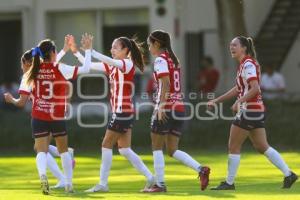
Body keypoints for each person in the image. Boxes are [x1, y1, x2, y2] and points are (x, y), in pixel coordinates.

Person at [4, 34, 92, 194]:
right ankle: (68, 184)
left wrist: (11, 100)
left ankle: (43, 176)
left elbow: (22, 102)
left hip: (38, 117)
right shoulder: (60, 68)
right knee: (64, 151)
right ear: (52, 53)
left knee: (41, 151)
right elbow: (85, 69)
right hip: (56, 117)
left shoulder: (30, 73)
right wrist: (87, 51)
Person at [208, 36, 298, 190]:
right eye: (230, 45)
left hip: (249, 110)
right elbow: (238, 89)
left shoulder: (248, 63)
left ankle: (229, 183)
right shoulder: (244, 64)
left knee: (233, 146)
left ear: (244, 48)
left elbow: (255, 88)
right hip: (255, 110)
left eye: (235, 45)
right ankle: (289, 174)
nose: (232, 47)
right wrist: (217, 100)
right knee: (262, 146)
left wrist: (239, 101)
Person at [71, 35, 155, 193]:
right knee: (124, 149)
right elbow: (87, 66)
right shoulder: (113, 66)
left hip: (122, 111)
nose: (112, 50)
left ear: (126, 50)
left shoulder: (127, 63)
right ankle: (150, 177)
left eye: (116, 47)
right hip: (124, 111)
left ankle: (103, 184)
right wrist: (77, 53)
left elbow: (110, 61)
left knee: (106, 145)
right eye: (112, 47)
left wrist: (92, 50)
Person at [143, 30, 210, 193]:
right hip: (179, 108)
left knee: (156, 147)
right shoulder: (173, 59)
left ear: (157, 44)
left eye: (149, 44)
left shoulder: (160, 60)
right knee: (172, 150)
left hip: (166, 108)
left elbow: (165, 84)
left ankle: (160, 184)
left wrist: (160, 106)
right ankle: (201, 169)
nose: (149, 47)